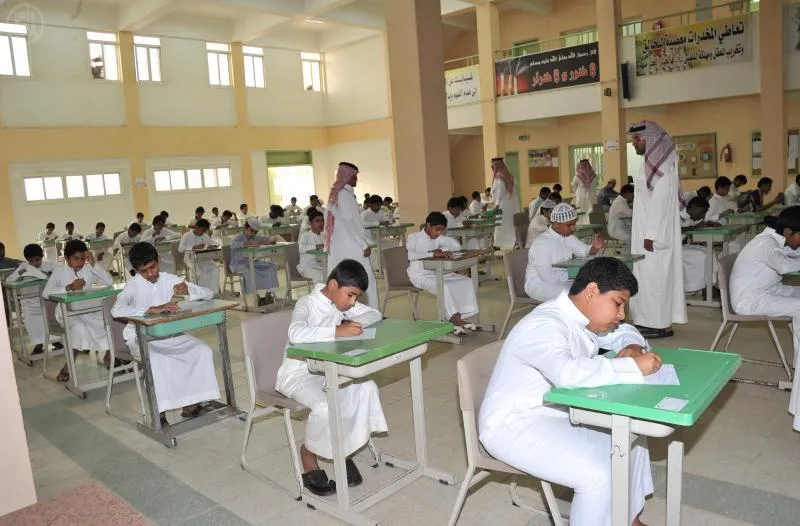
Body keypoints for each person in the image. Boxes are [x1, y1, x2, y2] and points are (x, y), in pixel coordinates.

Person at [480, 257, 660, 526]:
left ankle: (627, 519)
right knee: (598, 474)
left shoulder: (582, 317)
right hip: (513, 426)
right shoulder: (544, 324)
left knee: (632, 435)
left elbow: (623, 331)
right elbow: (567, 373)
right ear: (592, 291)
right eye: (618, 303)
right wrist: (632, 366)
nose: (622, 314)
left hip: (557, 413)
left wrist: (632, 345)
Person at [276, 259, 386, 496]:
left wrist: (352, 323)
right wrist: (337, 331)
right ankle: (309, 454)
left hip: (326, 370)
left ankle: (341, 450)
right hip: (297, 374)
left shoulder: (341, 303)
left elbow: (374, 314)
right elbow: (295, 334)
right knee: (326, 406)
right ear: (333, 285)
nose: (353, 302)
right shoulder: (307, 303)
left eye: (356, 297)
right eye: (351, 295)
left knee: (365, 387)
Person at [112, 242, 220, 426]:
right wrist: (149, 309)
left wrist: (190, 290)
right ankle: (159, 413)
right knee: (156, 360)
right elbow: (116, 310)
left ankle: (191, 404)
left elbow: (208, 294)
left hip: (170, 334)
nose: (150, 274)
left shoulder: (169, 279)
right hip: (140, 338)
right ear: (136, 270)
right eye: (144, 271)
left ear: (159, 261)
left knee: (202, 351)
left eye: (152, 267)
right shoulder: (133, 285)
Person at [729, 206, 800, 430]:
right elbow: (785, 266)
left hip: (766, 291)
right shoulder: (765, 244)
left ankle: (798, 364)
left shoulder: (774, 241)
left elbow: (790, 256)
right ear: (788, 232)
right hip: (750, 300)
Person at [627, 120, 687, 339]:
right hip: (646, 231)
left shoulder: (661, 167)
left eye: (636, 139)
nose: (634, 143)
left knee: (656, 279)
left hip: (653, 235)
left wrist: (651, 235)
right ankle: (649, 321)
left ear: (647, 139)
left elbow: (660, 204)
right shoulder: (653, 164)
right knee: (647, 278)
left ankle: (660, 325)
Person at [42, 240, 113, 382]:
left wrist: (93, 263)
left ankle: (109, 356)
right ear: (66, 258)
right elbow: (46, 293)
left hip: (88, 309)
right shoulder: (59, 271)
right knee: (79, 329)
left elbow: (109, 282)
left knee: (108, 322)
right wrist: (68, 288)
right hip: (66, 311)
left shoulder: (89, 268)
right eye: (76, 259)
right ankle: (68, 366)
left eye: (82, 258)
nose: (80, 262)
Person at [407, 212, 480, 336]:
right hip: (419, 275)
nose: (439, 232)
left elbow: (457, 246)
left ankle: (459, 317)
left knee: (465, 281)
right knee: (444, 287)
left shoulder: (438, 238)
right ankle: (453, 320)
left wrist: (445, 249)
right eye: (437, 229)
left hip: (438, 272)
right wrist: (432, 253)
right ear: (428, 225)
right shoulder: (413, 237)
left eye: (442, 230)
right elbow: (411, 255)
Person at [324, 162, 379, 309]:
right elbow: (350, 224)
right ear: (347, 176)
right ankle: (373, 313)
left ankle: (342, 311)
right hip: (352, 245)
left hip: (341, 246)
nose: (356, 179)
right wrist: (363, 245)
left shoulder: (337, 194)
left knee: (342, 281)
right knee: (366, 279)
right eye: (354, 176)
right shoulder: (345, 195)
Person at [524, 203, 603, 302]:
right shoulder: (542, 243)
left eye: (574, 223)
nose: (573, 228)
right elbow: (547, 277)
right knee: (577, 295)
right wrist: (571, 274)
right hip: (540, 285)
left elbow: (584, 251)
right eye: (569, 225)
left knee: (593, 288)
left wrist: (595, 248)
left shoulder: (567, 236)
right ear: (556, 224)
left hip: (562, 280)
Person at [7, 244, 57, 356]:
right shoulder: (23, 267)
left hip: (47, 301)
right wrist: (19, 274)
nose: (34, 263)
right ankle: (39, 345)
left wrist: (48, 274)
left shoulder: (50, 265)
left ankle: (56, 342)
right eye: (31, 261)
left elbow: (60, 276)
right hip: (29, 302)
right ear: (26, 260)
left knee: (51, 321)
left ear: (42, 256)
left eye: (37, 260)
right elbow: (10, 280)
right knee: (33, 324)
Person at [228, 219, 280, 306]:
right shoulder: (238, 237)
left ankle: (268, 294)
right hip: (238, 264)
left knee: (271, 266)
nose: (253, 233)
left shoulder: (255, 237)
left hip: (252, 262)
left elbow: (268, 240)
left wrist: (273, 239)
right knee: (249, 270)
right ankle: (255, 296)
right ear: (245, 228)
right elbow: (232, 245)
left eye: (255, 232)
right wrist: (247, 244)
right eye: (251, 230)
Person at [680, 197, 721, 294]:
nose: (703, 216)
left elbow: (699, 223)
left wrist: (709, 223)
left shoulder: (691, 216)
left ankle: (710, 284)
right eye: (702, 212)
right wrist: (694, 228)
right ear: (694, 208)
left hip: (682, 246)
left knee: (709, 251)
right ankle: (692, 287)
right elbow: (677, 229)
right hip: (672, 249)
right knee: (701, 256)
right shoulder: (678, 215)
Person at [178, 219, 220, 293]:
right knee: (198, 272)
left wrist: (211, 246)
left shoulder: (205, 236)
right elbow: (180, 249)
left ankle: (213, 292)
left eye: (205, 231)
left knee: (215, 269)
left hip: (204, 259)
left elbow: (215, 243)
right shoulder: (187, 235)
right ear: (196, 227)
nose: (203, 232)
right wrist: (193, 247)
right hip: (190, 259)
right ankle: (201, 292)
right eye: (202, 230)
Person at [490, 157, 520, 250]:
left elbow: (500, 192)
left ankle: (501, 245)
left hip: (504, 205)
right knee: (510, 224)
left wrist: (496, 205)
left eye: (492, 166)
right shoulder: (508, 176)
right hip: (512, 204)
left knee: (502, 224)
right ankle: (512, 243)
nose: (492, 168)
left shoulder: (499, 178)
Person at [297, 210, 326, 284]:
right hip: (307, 267)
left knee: (334, 275)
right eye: (317, 221)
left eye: (322, 220)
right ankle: (319, 292)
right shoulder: (305, 235)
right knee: (322, 277)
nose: (321, 223)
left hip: (321, 265)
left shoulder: (324, 235)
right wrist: (316, 246)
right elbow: (300, 249)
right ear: (311, 223)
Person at [607, 184, 635, 252]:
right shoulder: (619, 202)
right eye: (632, 194)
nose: (633, 196)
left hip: (620, 227)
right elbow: (629, 213)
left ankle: (625, 252)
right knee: (632, 238)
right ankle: (625, 254)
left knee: (634, 234)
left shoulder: (622, 201)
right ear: (627, 193)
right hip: (615, 230)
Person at [571, 159, 598, 223]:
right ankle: (591, 224)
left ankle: (582, 225)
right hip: (592, 196)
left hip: (581, 197)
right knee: (591, 211)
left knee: (581, 211)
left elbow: (573, 187)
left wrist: (576, 192)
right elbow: (596, 185)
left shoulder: (577, 176)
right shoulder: (594, 176)